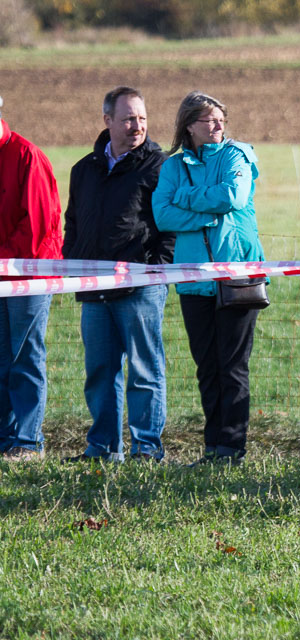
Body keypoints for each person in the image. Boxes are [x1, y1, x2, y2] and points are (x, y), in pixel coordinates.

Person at [153, 91, 267, 465]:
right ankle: (212, 446)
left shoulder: (238, 155)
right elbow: (162, 216)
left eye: (221, 118)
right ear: (189, 126)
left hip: (237, 274)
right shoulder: (172, 166)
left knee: (232, 366)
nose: (217, 125)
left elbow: (233, 196)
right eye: (208, 120)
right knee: (207, 366)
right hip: (192, 279)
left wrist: (186, 198)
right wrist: (205, 214)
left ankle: (232, 448)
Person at [62, 86, 173, 463]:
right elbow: (73, 222)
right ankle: (103, 448)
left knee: (144, 371)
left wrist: (157, 266)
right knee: (99, 372)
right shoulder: (83, 170)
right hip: (94, 286)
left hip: (140, 287)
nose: (137, 126)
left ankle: (146, 450)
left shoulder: (158, 166)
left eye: (142, 118)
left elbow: (170, 224)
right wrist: (72, 260)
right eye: (128, 118)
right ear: (107, 120)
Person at [0, 93, 62, 462]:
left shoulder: (26, 156)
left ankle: (26, 441)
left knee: (24, 357)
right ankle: (6, 438)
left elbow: (36, 231)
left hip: (28, 274)